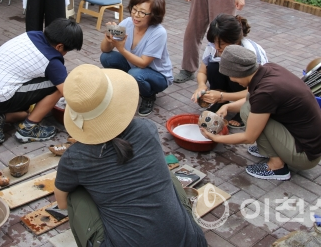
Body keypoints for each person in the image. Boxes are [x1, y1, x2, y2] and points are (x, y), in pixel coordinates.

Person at [54, 64, 207, 247]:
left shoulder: (74, 158)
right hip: (189, 241)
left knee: (74, 193)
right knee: (169, 176)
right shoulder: (147, 129)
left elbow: (62, 203)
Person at [200, 45, 321, 181]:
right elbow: (252, 98)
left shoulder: (266, 92)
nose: (233, 81)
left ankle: (276, 166)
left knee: (248, 113)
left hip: (305, 155)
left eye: (232, 77)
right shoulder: (268, 69)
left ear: (238, 73)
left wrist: (216, 138)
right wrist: (228, 107)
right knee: (251, 108)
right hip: (312, 142)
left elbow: (248, 137)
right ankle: (273, 149)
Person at [0, 18, 83, 143]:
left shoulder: (32, 35)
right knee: (56, 85)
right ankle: (28, 129)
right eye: (67, 50)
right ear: (59, 46)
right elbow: (68, 92)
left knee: (25, 113)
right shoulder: (52, 61)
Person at [100, 0, 173, 116]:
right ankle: (128, 86)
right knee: (106, 57)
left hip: (158, 76)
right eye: (134, 9)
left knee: (135, 74)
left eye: (143, 12)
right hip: (135, 67)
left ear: (153, 15)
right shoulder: (127, 23)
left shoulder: (159, 32)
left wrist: (121, 49)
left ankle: (148, 95)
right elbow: (105, 50)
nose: (136, 15)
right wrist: (108, 38)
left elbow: (143, 63)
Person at [192, 14, 268, 129]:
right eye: (214, 42)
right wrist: (201, 86)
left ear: (235, 41)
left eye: (221, 44)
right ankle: (221, 103)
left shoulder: (250, 54)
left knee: (237, 77)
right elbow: (202, 71)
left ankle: (243, 109)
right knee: (212, 67)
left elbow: (254, 92)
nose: (217, 47)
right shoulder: (213, 47)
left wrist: (222, 95)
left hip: (253, 90)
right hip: (232, 87)